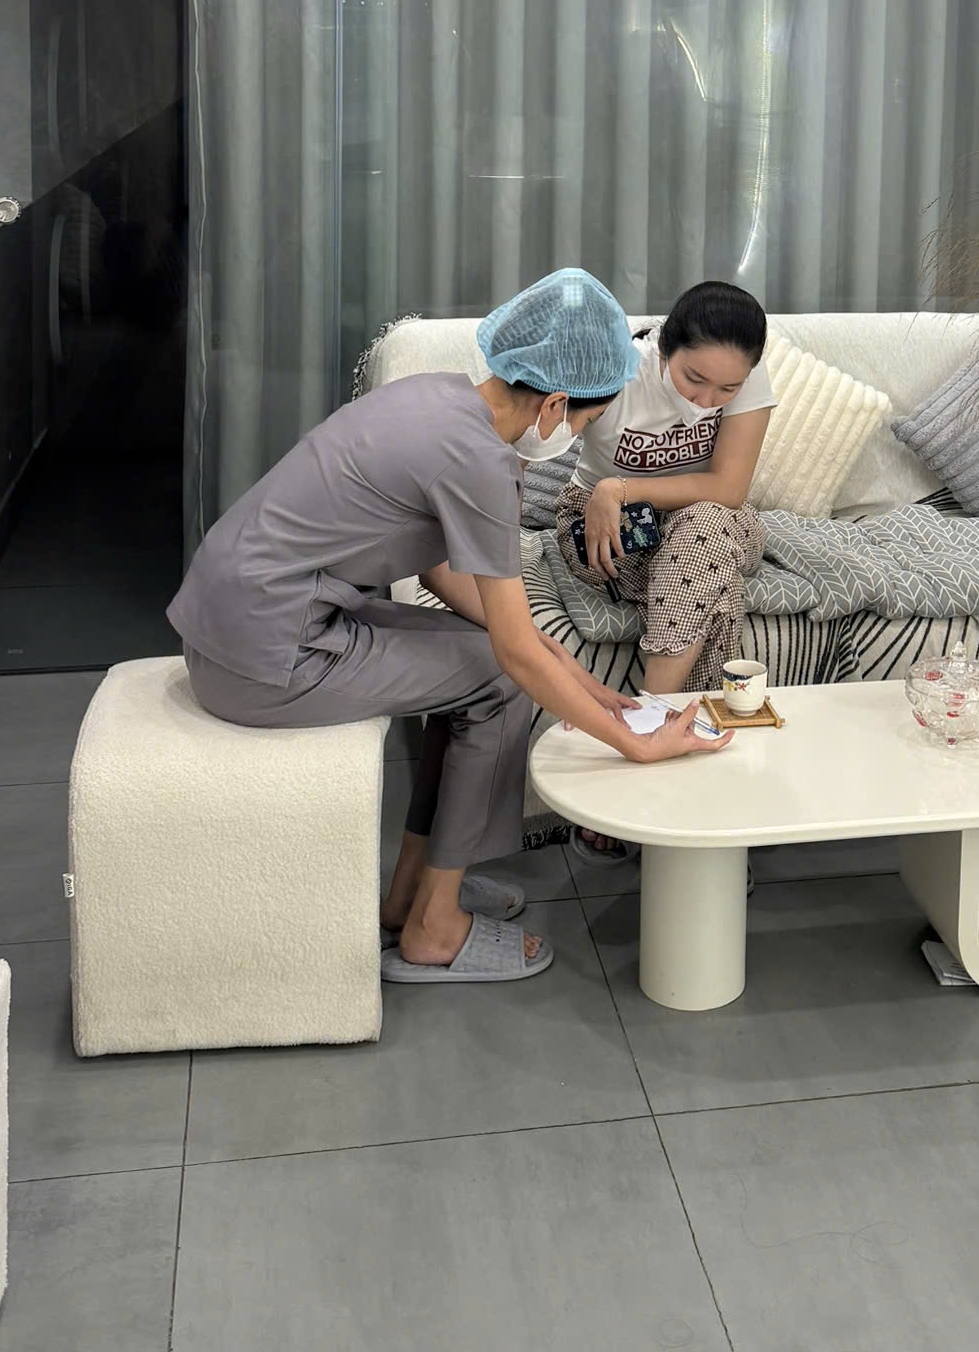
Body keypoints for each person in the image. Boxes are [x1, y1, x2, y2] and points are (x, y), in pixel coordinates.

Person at [168, 267, 730, 985]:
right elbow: (514, 655)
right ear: (556, 404)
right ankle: (435, 927)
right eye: (585, 423)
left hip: (240, 622)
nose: (576, 436)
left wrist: (581, 678)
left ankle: (413, 896)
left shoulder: (435, 399)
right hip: (263, 659)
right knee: (500, 681)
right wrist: (634, 744)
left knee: (488, 661)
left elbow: (446, 577)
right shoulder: (480, 462)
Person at [556, 280, 773, 862]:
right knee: (710, 580)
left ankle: (648, 725)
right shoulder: (618, 371)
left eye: (727, 389)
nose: (707, 400)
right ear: (663, 348)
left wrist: (620, 486)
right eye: (693, 379)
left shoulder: (750, 379)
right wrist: (604, 496)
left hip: (711, 517)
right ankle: (703, 813)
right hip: (606, 525)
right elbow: (538, 431)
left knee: (703, 531)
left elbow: (728, 488)